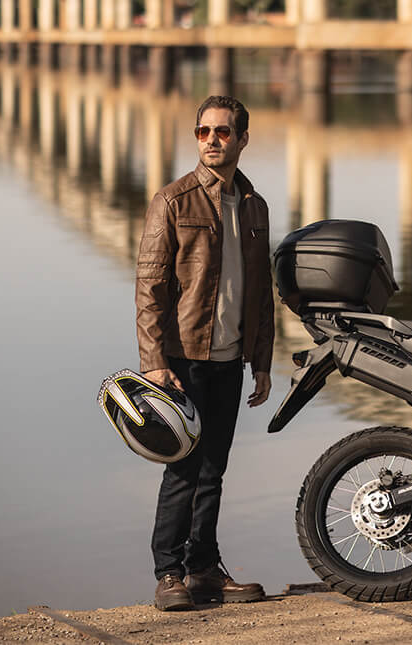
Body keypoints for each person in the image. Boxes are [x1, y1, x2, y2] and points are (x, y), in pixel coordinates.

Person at [135, 95, 275, 611]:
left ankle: (203, 569)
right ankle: (168, 573)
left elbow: (261, 292)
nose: (212, 140)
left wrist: (262, 361)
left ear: (242, 139)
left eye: (222, 132)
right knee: (183, 469)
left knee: (214, 469)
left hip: (230, 358)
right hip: (183, 358)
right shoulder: (173, 201)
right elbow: (149, 287)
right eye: (203, 132)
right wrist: (155, 361)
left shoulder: (255, 206)